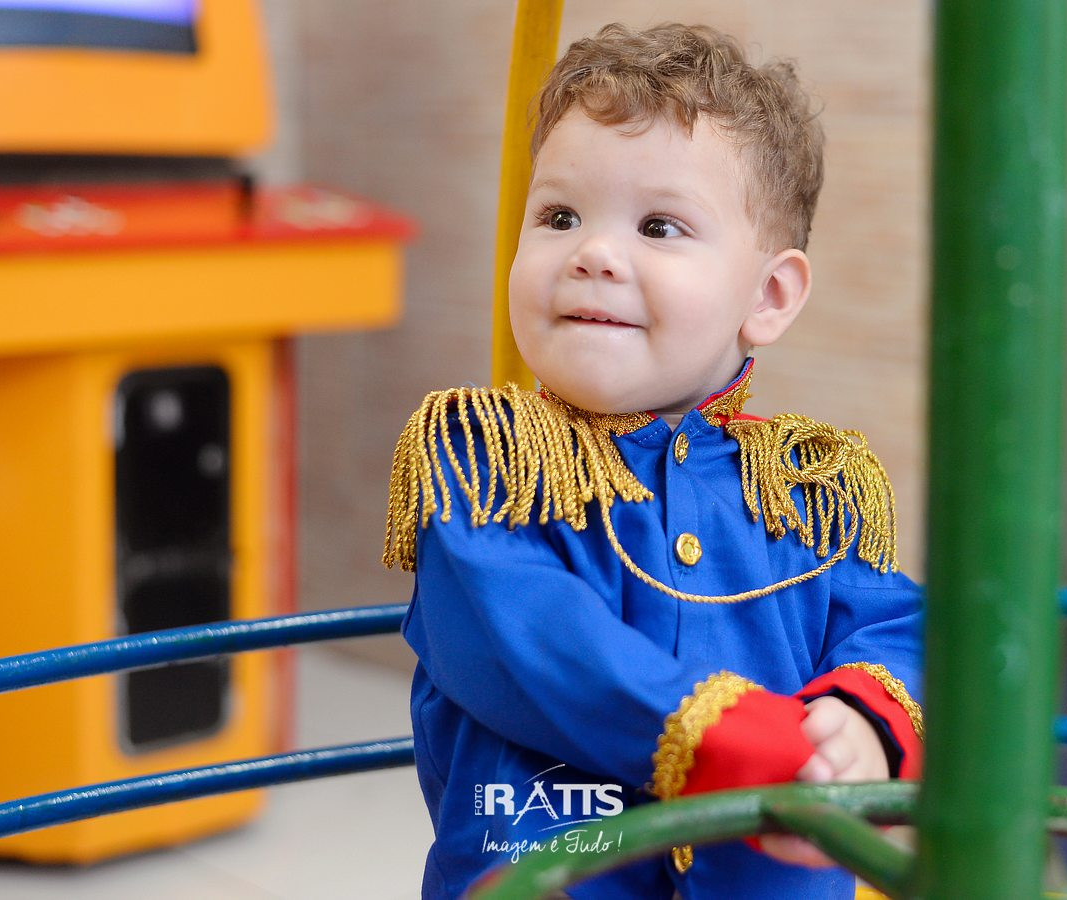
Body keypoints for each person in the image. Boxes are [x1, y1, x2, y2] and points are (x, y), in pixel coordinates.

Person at [383, 22, 923, 898]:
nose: (592, 254)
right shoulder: (488, 461)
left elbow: (900, 625)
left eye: (659, 226)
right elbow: (537, 639)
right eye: (558, 216)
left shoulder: (805, 489)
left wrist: (861, 724)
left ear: (767, 296)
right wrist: (752, 746)